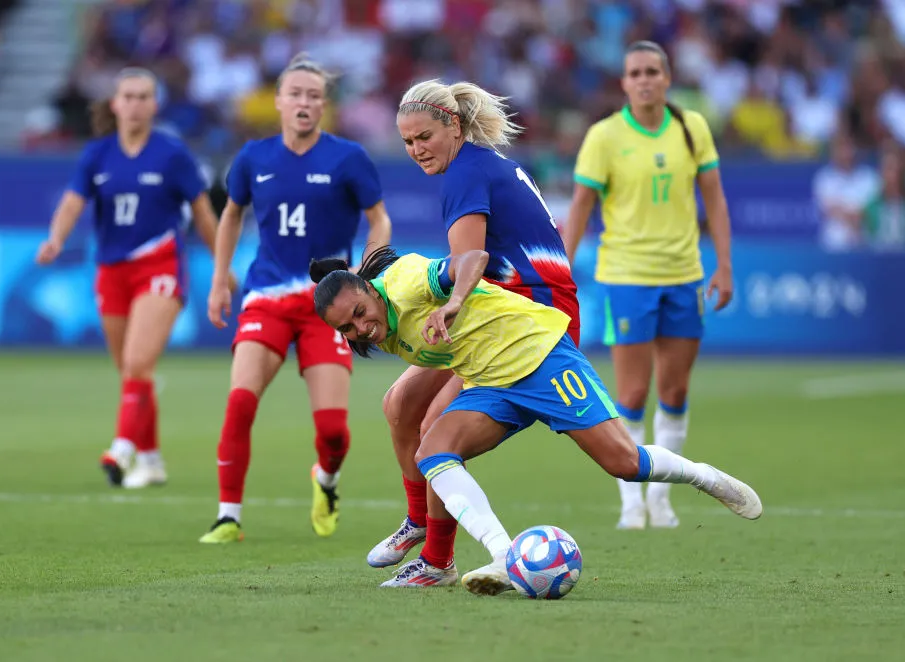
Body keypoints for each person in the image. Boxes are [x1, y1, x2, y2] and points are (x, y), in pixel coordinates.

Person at [312, 246, 762, 596]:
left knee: (624, 463)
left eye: (359, 313)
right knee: (432, 450)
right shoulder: (379, 329)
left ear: (371, 291)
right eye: (347, 329)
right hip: (492, 385)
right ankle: (504, 558)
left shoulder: (408, 283)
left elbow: (473, 258)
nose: (360, 328)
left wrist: (454, 301)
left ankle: (704, 476)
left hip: (540, 357)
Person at [368, 79, 581, 587]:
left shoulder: (466, 174)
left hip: (527, 315)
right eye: (407, 142)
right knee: (399, 405)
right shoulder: (477, 164)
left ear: (454, 126)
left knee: (436, 430)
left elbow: (469, 267)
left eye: (425, 137)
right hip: (516, 304)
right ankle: (419, 520)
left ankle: (438, 561)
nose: (417, 149)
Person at [199, 53, 392, 543]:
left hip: (325, 307)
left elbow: (379, 219)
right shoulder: (252, 158)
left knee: (331, 431)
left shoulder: (348, 158)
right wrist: (220, 279)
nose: (304, 103)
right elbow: (230, 216)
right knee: (239, 403)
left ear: (323, 105)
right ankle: (228, 517)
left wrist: (367, 275)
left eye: (313, 96)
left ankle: (325, 480)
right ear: (279, 102)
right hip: (265, 296)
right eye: (296, 94)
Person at [562, 41, 735, 530]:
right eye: (634, 72)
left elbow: (715, 200)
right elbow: (580, 206)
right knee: (633, 394)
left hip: (684, 275)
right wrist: (562, 265)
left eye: (652, 71)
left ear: (667, 77)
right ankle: (630, 503)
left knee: (676, 390)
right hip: (627, 277)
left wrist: (723, 264)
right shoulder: (605, 136)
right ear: (624, 83)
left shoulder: (691, 127)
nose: (643, 79)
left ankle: (661, 499)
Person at [36, 67, 226, 489]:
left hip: (159, 266)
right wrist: (55, 239)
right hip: (111, 271)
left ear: (154, 105)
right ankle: (153, 460)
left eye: (144, 96)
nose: (136, 103)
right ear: (115, 104)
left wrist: (220, 265)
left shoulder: (172, 154)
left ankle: (122, 448)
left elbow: (202, 212)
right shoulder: (97, 154)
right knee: (131, 373)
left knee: (139, 363)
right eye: (129, 95)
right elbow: (72, 202)